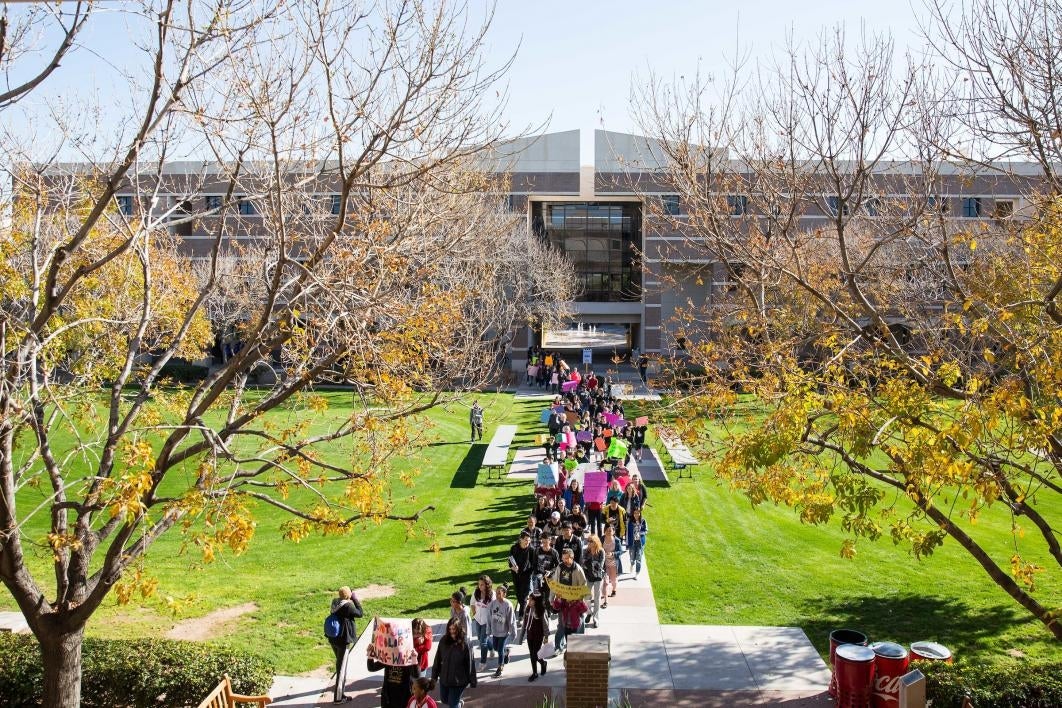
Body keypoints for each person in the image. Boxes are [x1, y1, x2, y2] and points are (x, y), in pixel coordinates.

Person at [548, 548, 590, 653]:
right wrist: (551, 598)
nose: (565, 560)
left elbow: (583, 585)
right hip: (563, 602)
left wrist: (580, 599)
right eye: (563, 558)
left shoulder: (577, 569)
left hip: (575, 603)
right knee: (562, 624)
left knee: (578, 624)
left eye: (567, 558)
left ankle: (578, 646)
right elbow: (554, 583)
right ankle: (558, 646)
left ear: (572, 557)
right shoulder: (559, 567)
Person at [327, 586, 364, 704]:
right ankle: (338, 698)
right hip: (343, 641)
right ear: (349, 595)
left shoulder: (334, 603)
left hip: (333, 639)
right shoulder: (348, 606)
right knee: (341, 670)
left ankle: (341, 694)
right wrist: (355, 599)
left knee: (340, 665)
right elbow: (360, 613)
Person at [430, 618, 477, 708]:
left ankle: (456, 704)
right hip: (445, 678)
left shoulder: (465, 643)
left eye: (454, 629)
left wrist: (472, 680)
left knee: (453, 704)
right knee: (444, 699)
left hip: (459, 681)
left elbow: (471, 663)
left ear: (459, 629)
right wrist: (434, 677)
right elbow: (437, 659)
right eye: (450, 629)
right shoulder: (443, 640)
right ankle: (458, 704)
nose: (452, 632)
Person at [487, 585, 517, 677]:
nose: (497, 595)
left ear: (504, 594)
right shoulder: (492, 604)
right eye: (496, 593)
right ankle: (506, 651)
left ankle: (500, 666)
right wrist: (488, 630)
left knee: (499, 650)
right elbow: (488, 617)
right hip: (495, 631)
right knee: (496, 648)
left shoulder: (508, 605)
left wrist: (513, 632)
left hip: (504, 632)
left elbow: (512, 620)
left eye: (499, 593)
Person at [521, 592, 551, 682]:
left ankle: (543, 663)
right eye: (529, 599)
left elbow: (545, 625)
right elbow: (525, 623)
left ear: (536, 601)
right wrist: (522, 635)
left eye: (531, 600)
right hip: (530, 634)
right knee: (532, 654)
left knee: (535, 654)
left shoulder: (541, 611)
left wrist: (546, 637)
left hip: (538, 636)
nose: (529, 601)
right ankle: (535, 673)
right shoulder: (527, 609)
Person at [508, 531, 535, 618]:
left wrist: (529, 572)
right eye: (526, 540)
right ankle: (524, 608)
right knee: (519, 595)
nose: (527, 542)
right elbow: (510, 560)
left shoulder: (531, 550)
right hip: (516, 575)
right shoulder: (514, 548)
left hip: (526, 575)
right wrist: (512, 567)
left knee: (524, 596)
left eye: (529, 540)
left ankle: (521, 615)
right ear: (521, 539)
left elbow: (534, 564)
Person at [581, 535, 605, 628]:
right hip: (588, 576)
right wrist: (590, 565)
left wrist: (590, 564)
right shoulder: (585, 551)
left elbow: (600, 566)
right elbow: (583, 564)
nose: (590, 543)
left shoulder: (601, 551)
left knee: (597, 598)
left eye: (592, 541)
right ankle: (589, 612)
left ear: (596, 542)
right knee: (586, 597)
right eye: (589, 541)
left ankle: (596, 619)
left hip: (598, 577)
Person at [471, 576, 493, 669]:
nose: (480, 586)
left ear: (487, 585)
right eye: (479, 584)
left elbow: (494, 608)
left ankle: (483, 663)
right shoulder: (476, 593)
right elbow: (472, 603)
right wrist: (474, 613)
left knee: (483, 643)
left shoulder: (492, 595)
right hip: (478, 620)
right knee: (480, 638)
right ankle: (491, 649)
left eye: (482, 584)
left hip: (487, 622)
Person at [626, 506, 648, 578]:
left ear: (640, 513)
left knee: (639, 558)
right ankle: (632, 564)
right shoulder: (630, 522)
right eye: (635, 513)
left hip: (640, 542)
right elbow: (627, 534)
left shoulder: (643, 521)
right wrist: (627, 544)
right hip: (632, 542)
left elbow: (646, 531)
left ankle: (637, 573)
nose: (636, 515)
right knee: (632, 557)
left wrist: (640, 533)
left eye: (638, 513)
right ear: (633, 514)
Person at [602, 525, 621, 607]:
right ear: (605, 531)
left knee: (613, 580)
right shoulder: (602, 539)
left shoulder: (617, 541)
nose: (609, 532)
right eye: (607, 530)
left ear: (613, 532)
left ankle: (614, 590)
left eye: (611, 531)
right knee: (605, 582)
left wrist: (612, 553)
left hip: (613, 564)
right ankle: (606, 601)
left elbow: (620, 552)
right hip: (604, 564)